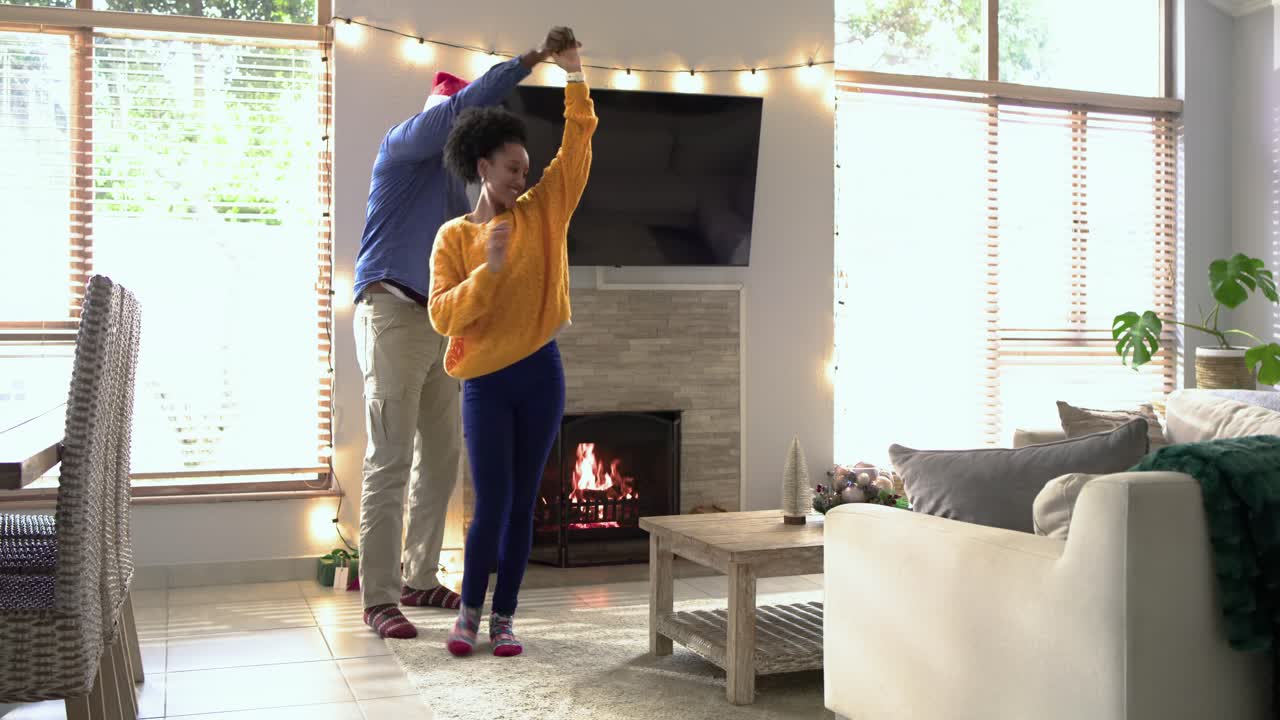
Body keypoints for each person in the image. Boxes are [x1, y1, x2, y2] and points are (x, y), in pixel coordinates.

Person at [352, 27, 579, 641]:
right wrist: (533, 59)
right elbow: (464, 108)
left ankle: (419, 576)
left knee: (442, 458)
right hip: (391, 310)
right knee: (389, 458)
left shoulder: (463, 194)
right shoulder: (401, 146)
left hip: (442, 325)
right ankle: (379, 597)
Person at [427, 31, 595, 657]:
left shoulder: (542, 212)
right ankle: (468, 615)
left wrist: (574, 73)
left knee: (525, 504)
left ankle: (504, 619)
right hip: (485, 383)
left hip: (540, 372)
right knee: (491, 504)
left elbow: (577, 146)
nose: (522, 179)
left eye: (526, 170)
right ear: (483, 168)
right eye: (512, 170)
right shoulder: (454, 238)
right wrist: (488, 271)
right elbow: (443, 315)